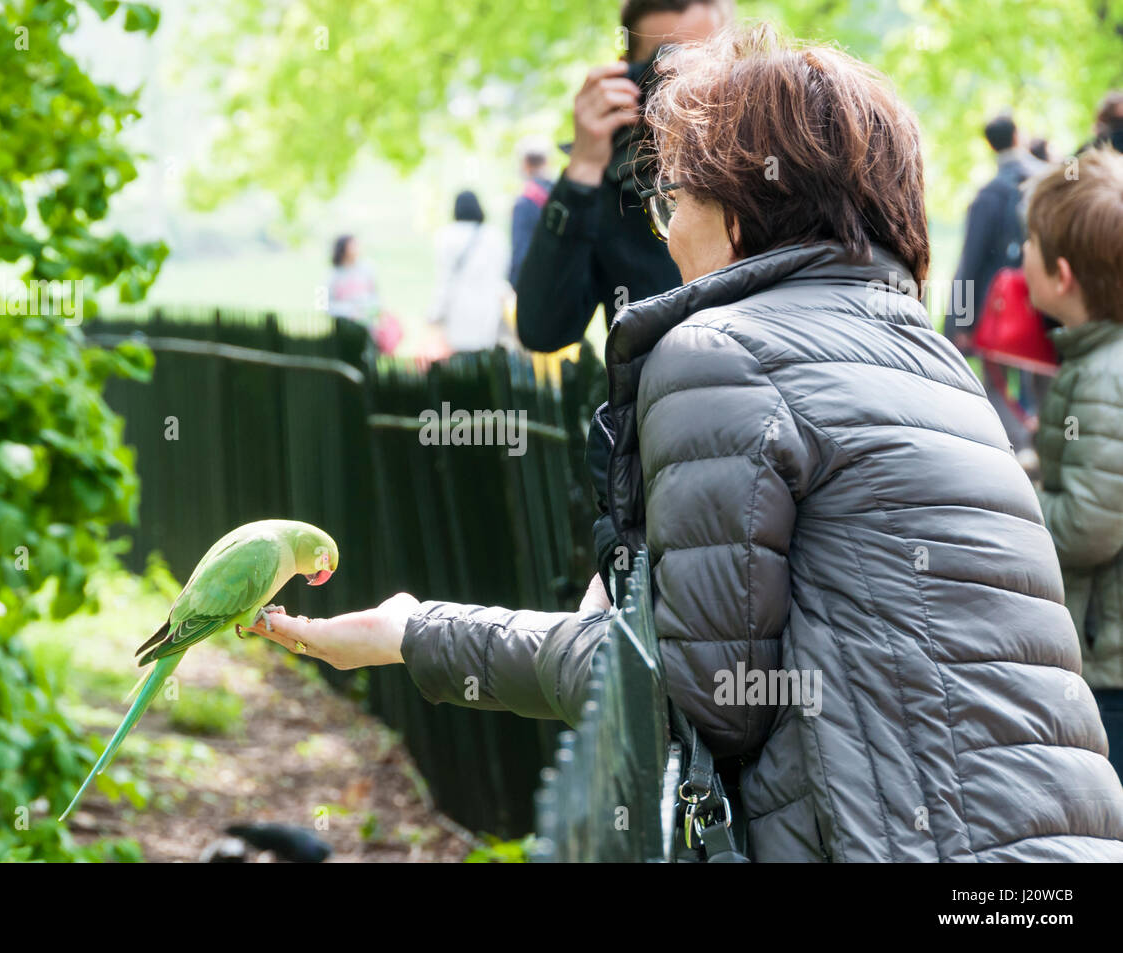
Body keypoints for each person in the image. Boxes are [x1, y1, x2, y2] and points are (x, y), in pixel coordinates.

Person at [261, 25, 1123, 862]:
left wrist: (417, 633)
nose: (666, 231)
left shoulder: (721, 353)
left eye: (674, 197)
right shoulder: (934, 360)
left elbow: (695, 695)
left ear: (743, 215)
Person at [513, 0, 731, 353]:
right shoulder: (610, 185)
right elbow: (542, 329)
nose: (692, 87)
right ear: (628, 75)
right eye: (669, 63)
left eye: (710, 64)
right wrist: (583, 168)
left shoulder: (783, 164)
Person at [1024, 148, 1123, 779]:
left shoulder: (1101, 378)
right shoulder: (1097, 363)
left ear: (1061, 275)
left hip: (1109, 656)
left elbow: (1090, 522)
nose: (1020, 254)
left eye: (1027, 243)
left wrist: (1018, 506)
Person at [945, 114, 1048, 460]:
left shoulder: (989, 195)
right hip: (1048, 302)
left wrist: (958, 321)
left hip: (999, 307)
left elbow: (970, 262)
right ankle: (1041, 445)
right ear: (1018, 136)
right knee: (1043, 376)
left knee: (997, 382)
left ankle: (1012, 449)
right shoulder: (1048, 182)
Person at [430, 191, 510, 352]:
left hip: (458, 310)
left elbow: (444, 280)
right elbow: (503, 271)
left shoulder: (445, 236)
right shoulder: (495, 236)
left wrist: (435, 313)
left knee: (462, 363)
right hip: (489, 309)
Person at [508, 139, 553, 289]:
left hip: (534, 283)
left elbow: (520, 249)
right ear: (546, 162)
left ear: (525, 163)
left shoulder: (525, 201)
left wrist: (514, 283)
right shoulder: (560, 193)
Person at [325, 234, 379, 324]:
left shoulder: (368, 268)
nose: (357, 248)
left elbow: (376, 295)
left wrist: (372, 310)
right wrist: (349, 312)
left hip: (368, 323)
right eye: (353, 246)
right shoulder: (330, 274)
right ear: (343, 249)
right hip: (343, 325)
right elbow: (321, 305)